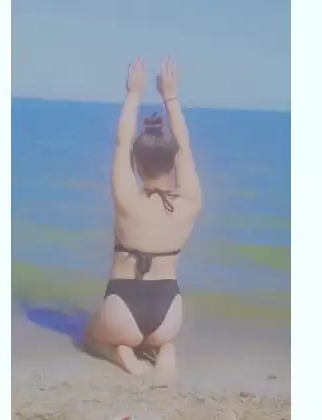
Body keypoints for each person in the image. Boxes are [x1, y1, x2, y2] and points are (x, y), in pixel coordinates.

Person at [86, 57, 202, 380]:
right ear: (173, 163)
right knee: (161, 339)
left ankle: (121, 353)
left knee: (91, 333)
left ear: (136, 165)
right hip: (168, 312)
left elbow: (122, 142)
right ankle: (163, 349)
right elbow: (185, 149)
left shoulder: (128, 200)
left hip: (122, 308)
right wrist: (171, 97)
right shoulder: (189, 202)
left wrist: (133, 93)